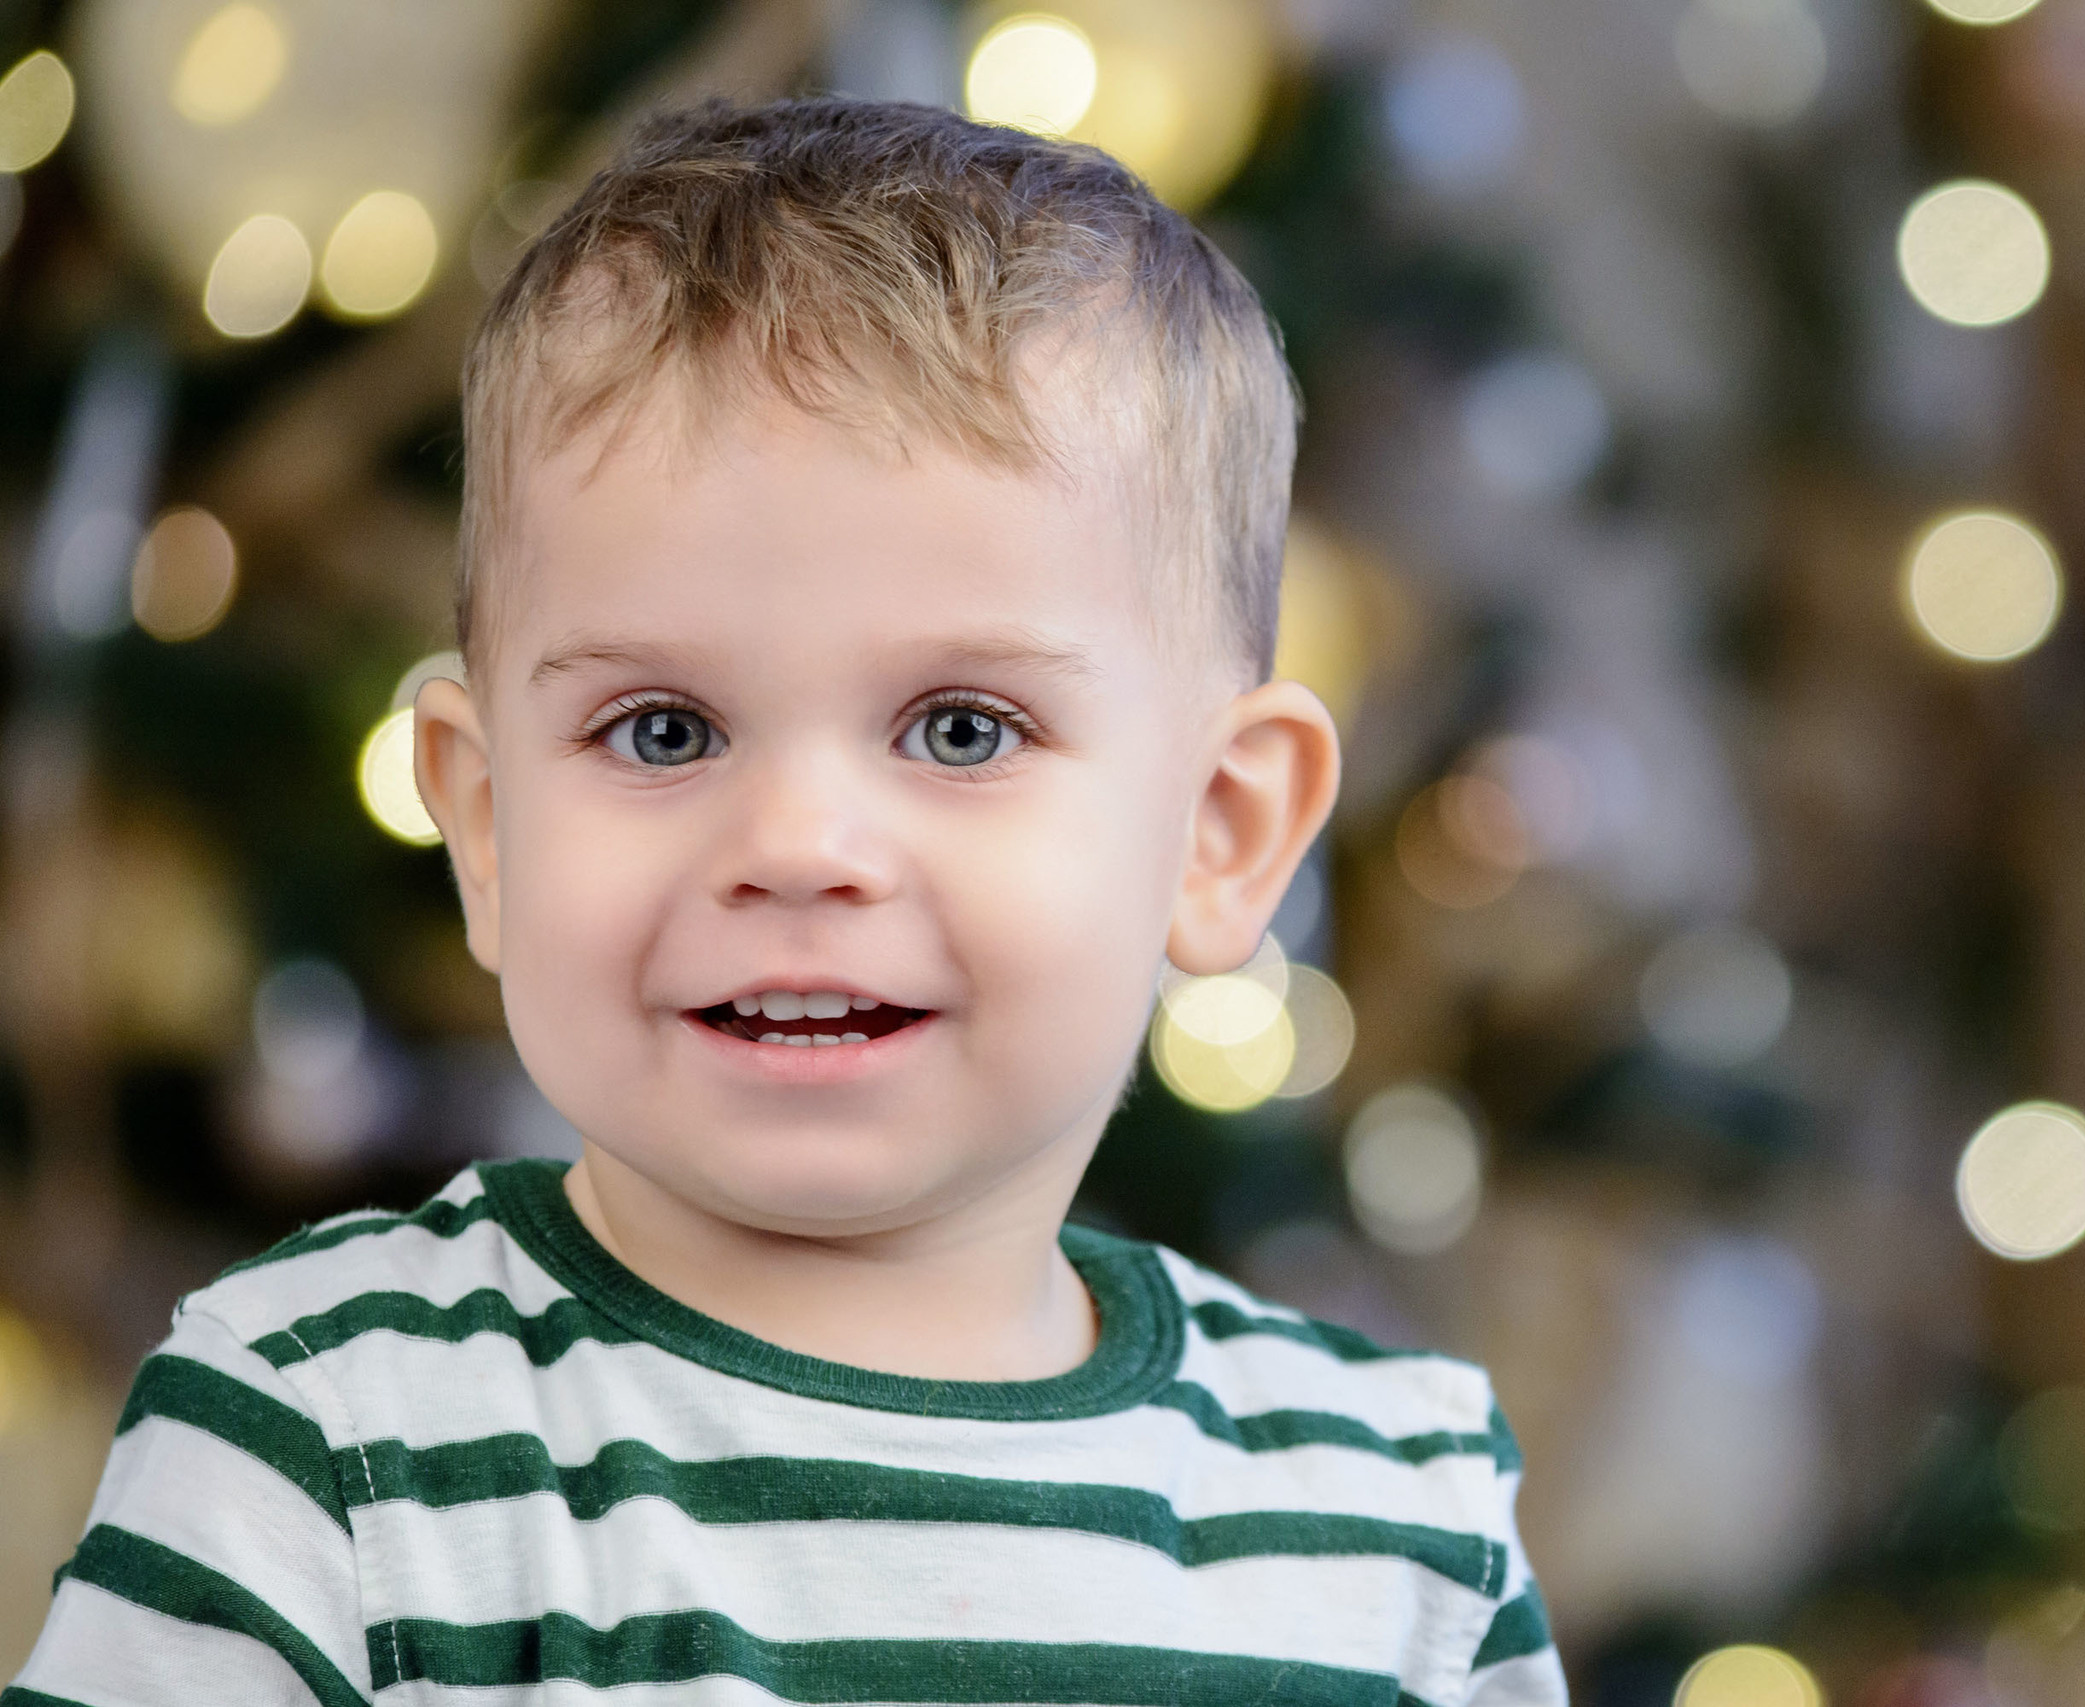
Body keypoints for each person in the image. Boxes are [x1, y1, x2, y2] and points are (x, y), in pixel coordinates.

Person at [5, 97, 1563, 1705]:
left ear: (1219, 833)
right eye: (662, 730)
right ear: (484, 822)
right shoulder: (325, 1449)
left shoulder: (1393, 1535)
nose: (801, 845)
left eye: (964, 730)